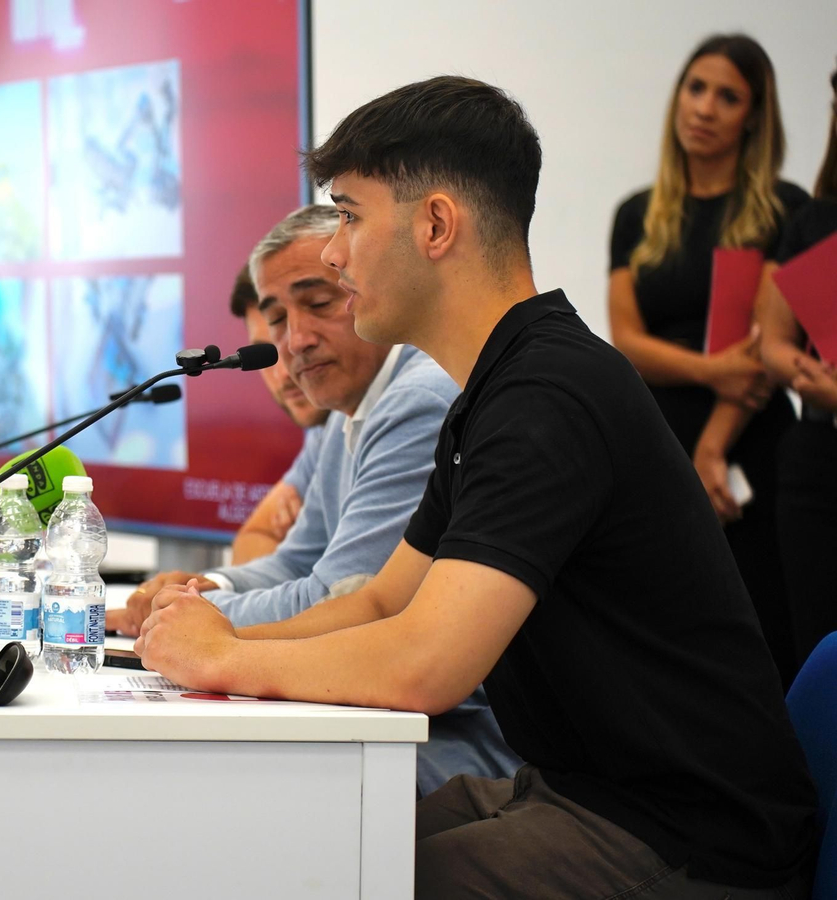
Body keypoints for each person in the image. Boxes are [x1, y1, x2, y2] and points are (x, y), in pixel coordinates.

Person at [135, 76, 816, 897]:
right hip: (583, 793)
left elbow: (426, 665)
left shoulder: (549, 398)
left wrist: (225, 657)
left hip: (689, 837)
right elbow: (380, 602)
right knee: (302, 852)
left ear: (435, 225)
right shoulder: (495, 392)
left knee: (337, 879)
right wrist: (220, 642)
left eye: (349, 217)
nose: (336, 253)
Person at [118, 205, 519, 795]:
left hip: (462, 735)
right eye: (277, 319)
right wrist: (202, 593)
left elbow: (343, 595)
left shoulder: (419, 399)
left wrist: (193, 626)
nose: (295, 341)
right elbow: (295, 561)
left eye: (320, 303)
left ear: (361, 288)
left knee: (227, 782)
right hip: (398, 712)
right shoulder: (346, 408)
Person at [607, 34, 809, 688]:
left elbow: (764, 348)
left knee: (761, 630)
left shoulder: (785, 209)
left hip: (747, 441)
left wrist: (714, 447)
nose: (704, 108)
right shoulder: (638, 214)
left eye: (728, 97)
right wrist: (710, 370)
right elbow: (627, 341)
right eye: (696, 88)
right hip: (657, 441)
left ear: (754, 116)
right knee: (659, 631)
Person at [758, 60, 837, 670]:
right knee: (815, 642)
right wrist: (801, 370)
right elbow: (773, 342)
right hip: (818, 456)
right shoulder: (815, 221)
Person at [227, 263, 331, 565]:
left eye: (292, 345)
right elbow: (251, 540)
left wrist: (299, 545)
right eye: (268, 354)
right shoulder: (323, 433)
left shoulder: (405, 405)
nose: (284, 373)